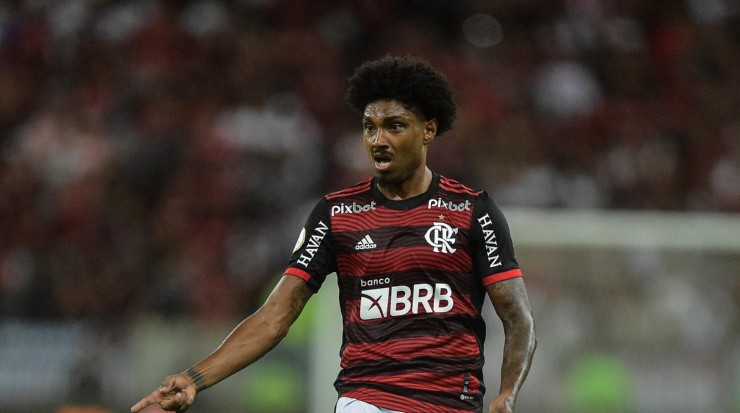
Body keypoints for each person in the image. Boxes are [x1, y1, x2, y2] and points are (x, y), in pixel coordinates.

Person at [131, 55, 536, 413]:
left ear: (428, 130)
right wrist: (196, 378)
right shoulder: (336, 213)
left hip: (451, 402)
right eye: (369, 128)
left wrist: (507, 394)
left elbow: (518, 319)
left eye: (394, 126)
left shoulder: (472, 211)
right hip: (367, 399)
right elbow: (275, 315)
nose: (378, 140)